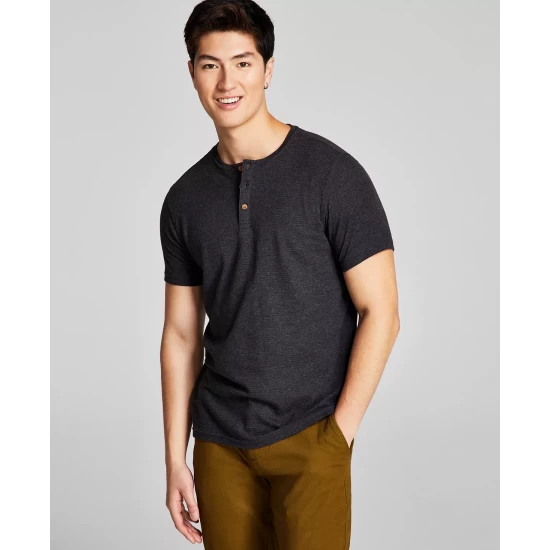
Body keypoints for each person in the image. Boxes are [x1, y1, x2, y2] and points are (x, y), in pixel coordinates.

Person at [159, 1, 400, 547]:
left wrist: (338, 436)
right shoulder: (184, 200)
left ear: (268, 70)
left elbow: (381, 311)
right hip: (219, 443)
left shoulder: (333, 175)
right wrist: (176, 458)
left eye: (243, 63)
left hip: (312, 435)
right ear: (193, 73)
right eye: (210, 65)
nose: (227, 82)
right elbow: (180, 334)